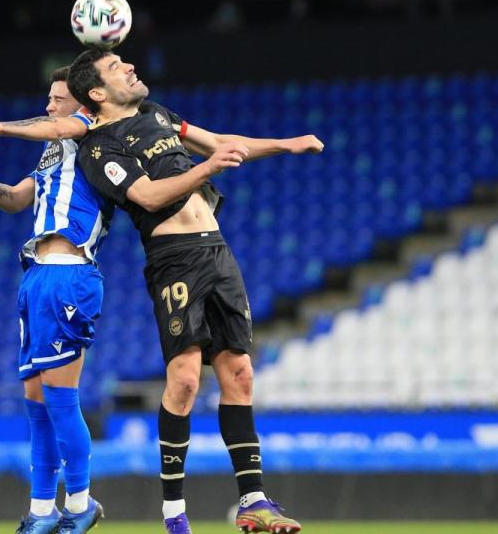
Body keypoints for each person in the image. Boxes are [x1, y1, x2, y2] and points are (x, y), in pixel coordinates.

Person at [67, 48, 321, 534]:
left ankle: (253, 502)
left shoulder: (158, 115)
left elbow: (221, 142)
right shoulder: (99, 147)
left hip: (217, 250)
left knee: (240, 373)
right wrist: (207, 169)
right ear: (97, 92)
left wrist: (286, 144)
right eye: (117, 67)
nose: (131, 67)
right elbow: (146, 196)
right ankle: (174, 514)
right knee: (184, 380)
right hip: (174, 259)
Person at [0, 66, 110, 534]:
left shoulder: (93, 130)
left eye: (58, 98)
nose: (50, 105)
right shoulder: (55, 152)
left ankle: (79, 503)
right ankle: (41, 511)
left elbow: (56, 124)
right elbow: (17, 198)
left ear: (81, 104)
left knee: (59, 398)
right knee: (35, 402)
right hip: (36, 275)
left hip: (68, 274)